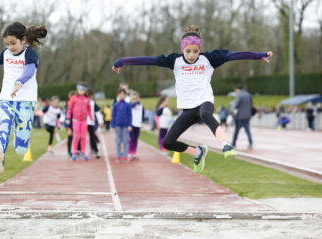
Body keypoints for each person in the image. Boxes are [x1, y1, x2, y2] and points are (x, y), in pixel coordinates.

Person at [112, 25, 273, 174]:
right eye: (188, 51)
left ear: (199, 50)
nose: (191, 55)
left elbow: (234, 55)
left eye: (195, 51)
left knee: (205, 114)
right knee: (168, 142)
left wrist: (259, 55)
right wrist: (123, 61)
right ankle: (197, 152)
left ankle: (225, 144)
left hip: (205, 101)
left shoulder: (209, 59)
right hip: (189, 108)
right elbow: (149, 60)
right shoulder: (175, 61)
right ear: (183, 49)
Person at [0, 22, 47, 173]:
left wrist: (19, 83)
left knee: (21, 148)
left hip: (25, 101)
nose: (10, 47)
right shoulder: (6, 53)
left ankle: (19, 144)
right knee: (5, 124)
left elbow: (29, 70)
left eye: (13, 43)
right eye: (7, 44)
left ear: (23, 39)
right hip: (6, 98)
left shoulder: (30, 53)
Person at [66, 82, 92, 161]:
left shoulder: (87, 99)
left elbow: (89, 109)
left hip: (84, 121)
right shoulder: (74, 98)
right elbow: (70, 109)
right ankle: (74, 153)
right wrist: (68, 118)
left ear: (85, 91)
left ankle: (83, 153)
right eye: (79, 90)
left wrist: (91, 117)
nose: (81, 91)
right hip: (75, 120)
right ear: (77, 90)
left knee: (83, 137)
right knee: (76, 136)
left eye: (83, 90)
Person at [111, 88, 132, 163]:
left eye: (123, 94)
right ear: (118, 95)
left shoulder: (128, 105)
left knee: (126, 141)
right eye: (120, 94)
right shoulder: (115, 105)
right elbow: (113, 116)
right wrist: (112, 126)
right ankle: (118, 156)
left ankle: (125, 156)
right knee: (118, 141)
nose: (121, 95)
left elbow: (130, 115)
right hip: (117, 125)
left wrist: (130, 125)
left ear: (125, 95)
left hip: (126, 125)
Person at [86, 88, 103, 158]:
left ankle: (96, 151)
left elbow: (98, 113)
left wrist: (101, 121)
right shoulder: (81, 102)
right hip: (82, 121)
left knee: (92, 136)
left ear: (92, 96)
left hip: (90, 122)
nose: (88, 98)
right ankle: (78, 151)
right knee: (80, 137)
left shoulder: (93, 103)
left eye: (89, 96)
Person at [128, 90, 144, 160]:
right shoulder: (129, 105)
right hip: (131, 124)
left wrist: (142, 122)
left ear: (138, 98)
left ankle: (134, 153)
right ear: (131, 98)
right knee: (131, 139)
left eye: (136, 97)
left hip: (138, 124)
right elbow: (132, 106)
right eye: (133, 97)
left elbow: (142, 115)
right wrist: (136, 102)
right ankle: (129, 153)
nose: (134, 99)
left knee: (136, 139)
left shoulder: (140, 105)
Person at [64, 90, 76, 158]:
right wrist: (68, 126)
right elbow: (67, 113)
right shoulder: (69, 102)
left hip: (75, 122)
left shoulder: (74, 102)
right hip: (70, 122)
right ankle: (69, 152)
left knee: (75, 137)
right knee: (70, 137)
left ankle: (75, 151)